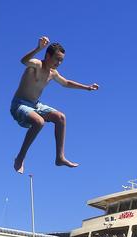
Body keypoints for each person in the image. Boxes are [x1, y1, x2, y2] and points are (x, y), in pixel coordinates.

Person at [10, 36, 99, 174]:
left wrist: (87, 87)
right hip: (19, 105)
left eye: (61, 60)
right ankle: (20, 158)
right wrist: (38, 48)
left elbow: (66, 83)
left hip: (35, 105)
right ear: (47, 55)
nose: (59, 62)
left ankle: (60, 157)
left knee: (61, 117)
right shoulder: (37, 64)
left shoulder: (53, 73)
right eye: (57, 59)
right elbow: (24, 61)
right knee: (39, 122)